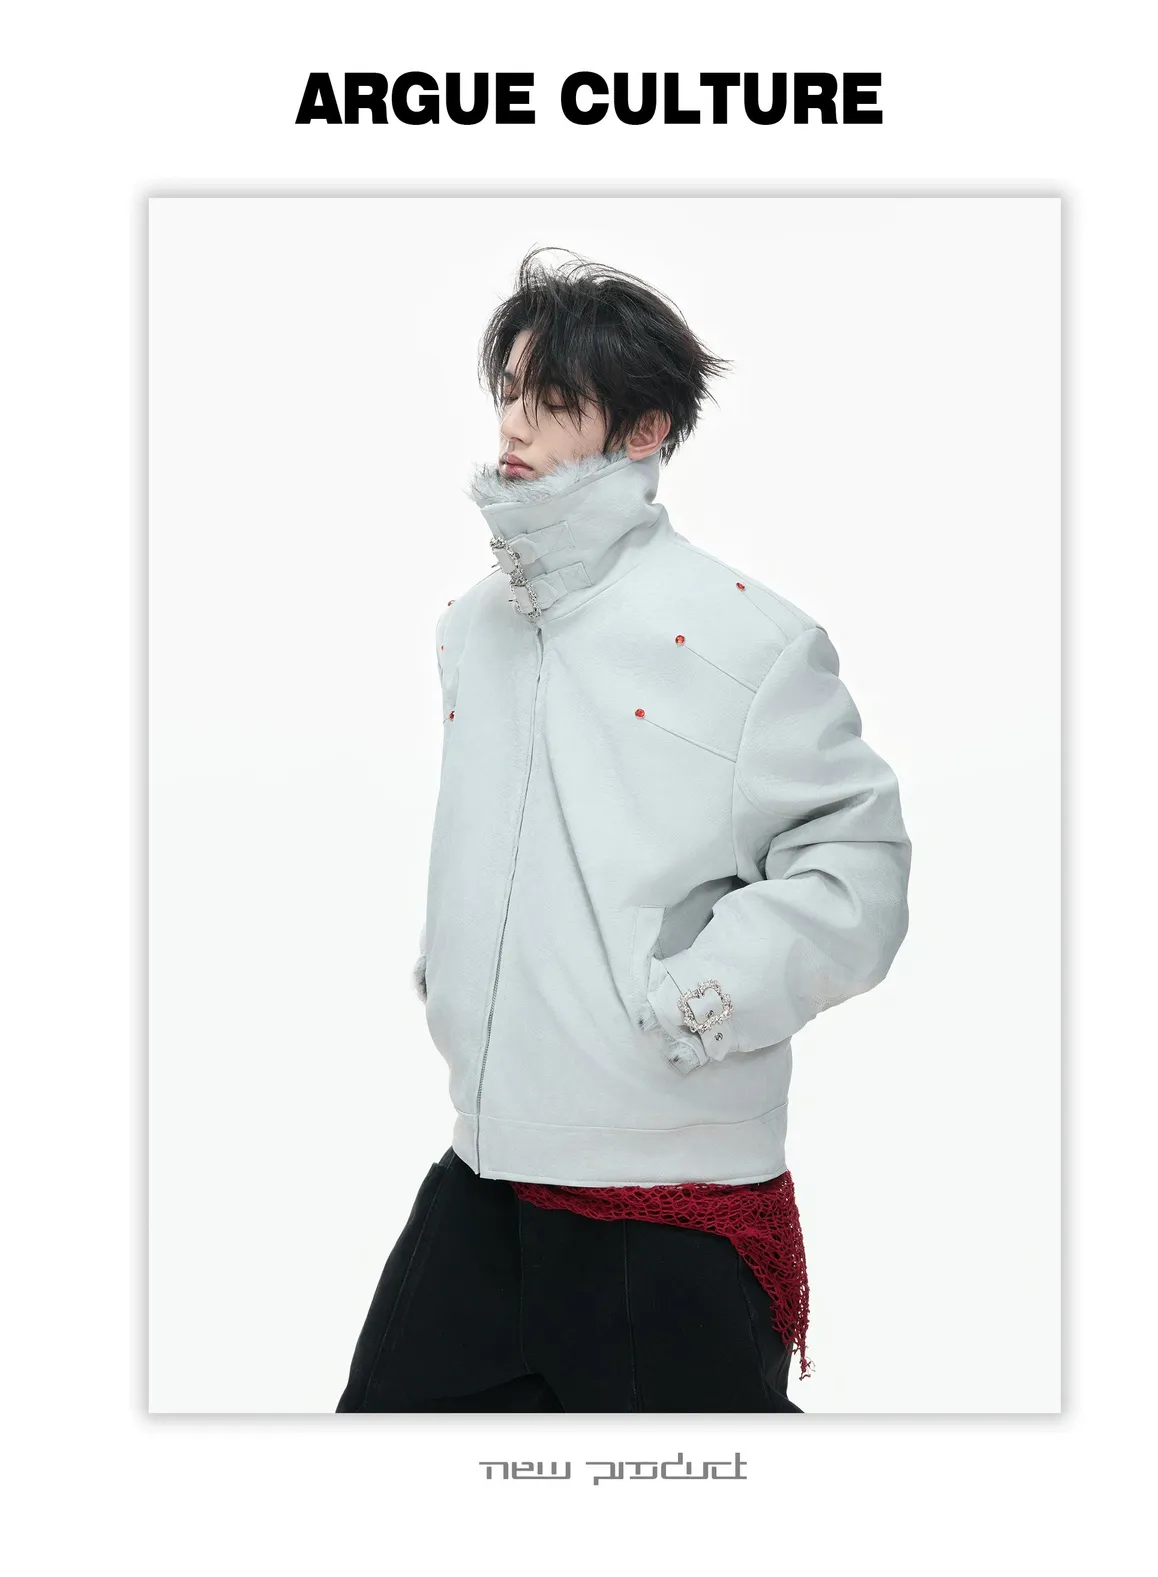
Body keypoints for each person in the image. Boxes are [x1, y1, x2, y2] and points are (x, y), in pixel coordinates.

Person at [335, 246, 911, 1413]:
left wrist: (696, 996)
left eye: (554, 400)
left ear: (645, 429)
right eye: (510, 390)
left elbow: (859, 870)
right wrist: (457, 978)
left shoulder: (748, 639)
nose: (515, 425)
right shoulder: (474, 627)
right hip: (485, 1173)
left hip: (667, 1204)